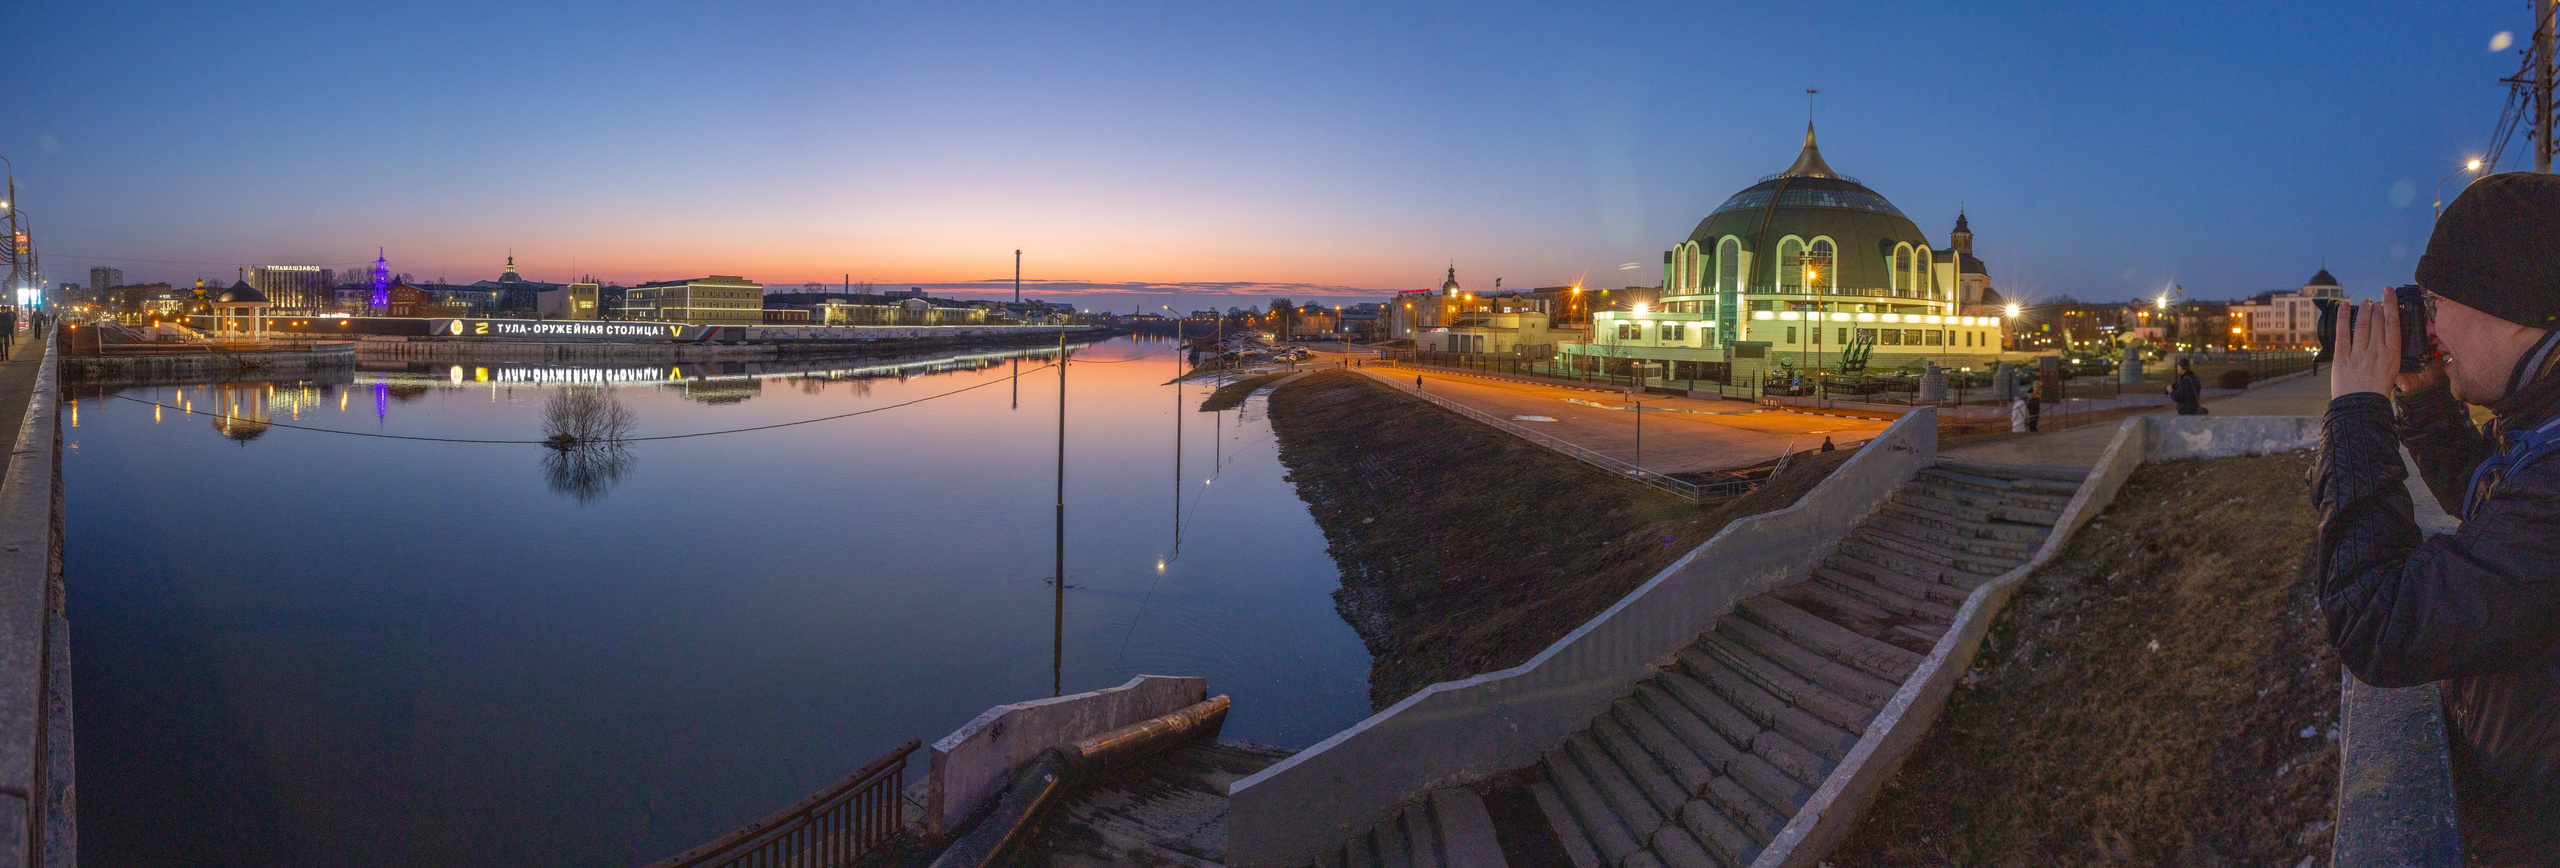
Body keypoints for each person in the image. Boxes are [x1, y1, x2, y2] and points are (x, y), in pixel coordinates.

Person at [2319, 171, 2560, 861]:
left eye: (2439, 303)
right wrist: (2425, 399)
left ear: (2515, 306)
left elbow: (2378, 620)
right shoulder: (2542, 426)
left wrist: (2356, 414)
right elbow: (2494, 508)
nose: (2428, 328)